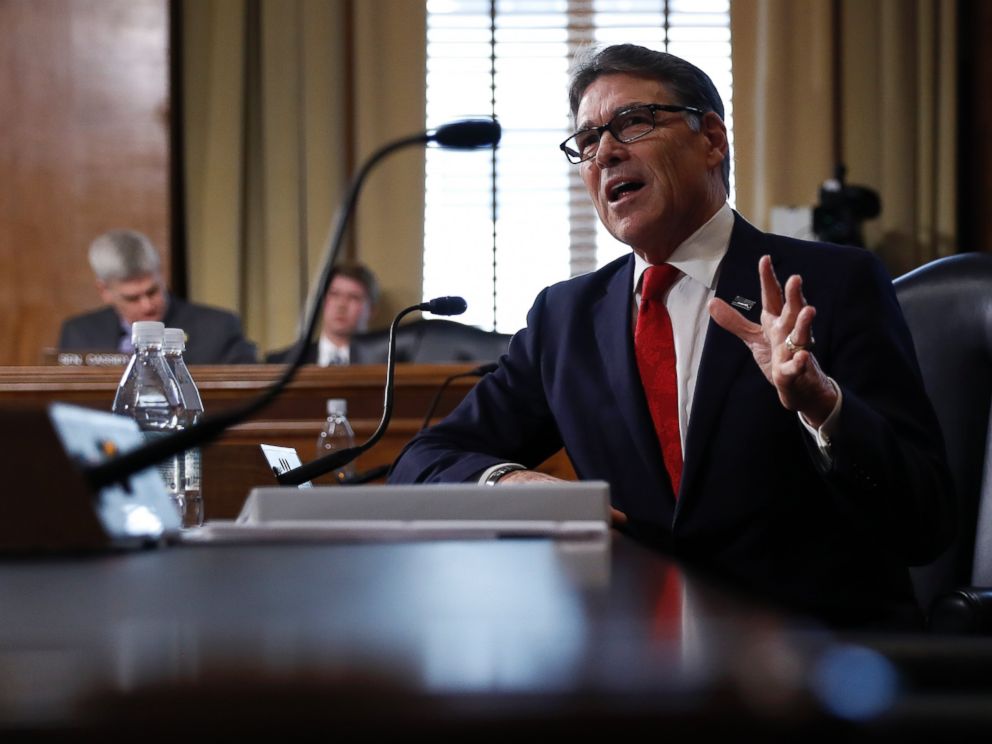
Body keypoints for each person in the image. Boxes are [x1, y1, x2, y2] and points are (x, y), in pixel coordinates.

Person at [389, 44, 955, 629]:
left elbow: (926, 523)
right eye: (586, 142)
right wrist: (508, 483)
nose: (604, 152)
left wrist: (823, 406)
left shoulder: (831, 284)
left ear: (711, 139)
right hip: (641, 670)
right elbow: (423, 461)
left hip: (813, 668)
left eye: (632, 123)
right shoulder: (566, 319)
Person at [58, 229, 258, 364]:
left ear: (161, 275)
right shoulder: (79, 333)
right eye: (132, 298)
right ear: (104, 292)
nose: (147, 305)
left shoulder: (217, 329)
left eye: (152, 291)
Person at [266, 263, 379, 365]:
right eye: (334, 294)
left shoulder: (387, 364)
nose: (341, 305)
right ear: (322, 301)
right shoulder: (282, 363)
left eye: (353, 297)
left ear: (372, 310)